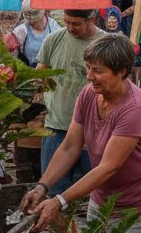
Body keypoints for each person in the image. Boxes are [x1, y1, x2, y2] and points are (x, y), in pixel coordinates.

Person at [22, 34, 141, 233]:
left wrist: (59, 201)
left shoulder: (135, 108)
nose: (89, 76)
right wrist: (42, 186)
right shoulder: (89, 94)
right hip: (102, 200)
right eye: (88, 68)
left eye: (97, 71)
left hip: (136, 207)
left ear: (122, 71)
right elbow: (70, 147)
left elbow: (109, 167)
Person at [34, 10, 104, 199]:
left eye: (76, 23)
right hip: (56, 127)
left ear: (91, 19)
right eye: (67, 22)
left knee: (97, 193)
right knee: (54, 192)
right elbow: (39, 75)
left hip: (94, 130)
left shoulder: (105, 44)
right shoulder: (53, 40)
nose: (70, 28)